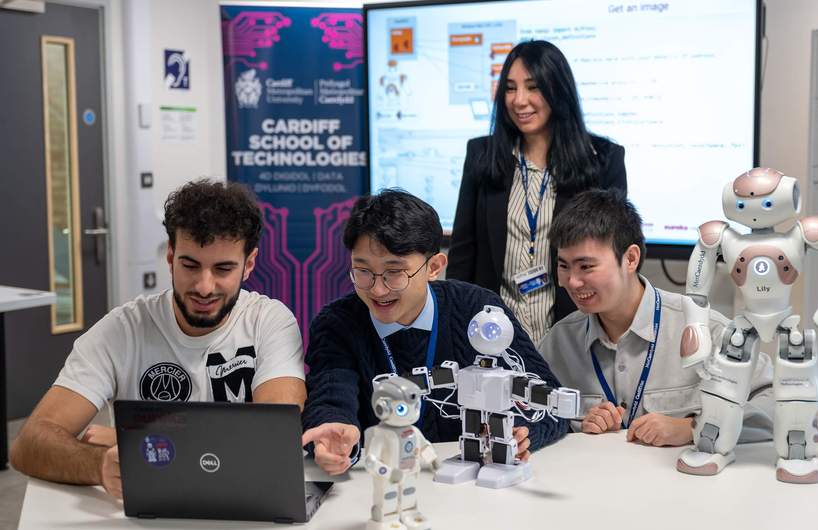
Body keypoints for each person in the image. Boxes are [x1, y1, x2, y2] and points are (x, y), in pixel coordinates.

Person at [10, 180, 306, 498]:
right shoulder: (122, 330)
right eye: (190, 265)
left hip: (246, 505)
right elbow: (28, 444)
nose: (205, 287)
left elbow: (277, 436)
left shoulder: (270, 321)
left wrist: (135, 441)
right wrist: (99, 464)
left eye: (223, 269)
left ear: (249, 264)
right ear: (170, 255)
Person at [301, 189, 567, 476]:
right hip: (383, 482)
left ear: (435, 267)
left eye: (394, 273)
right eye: (362, 271)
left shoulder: (477, 311)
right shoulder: (337, 323)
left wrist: (524, 433)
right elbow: (331, 397)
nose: (377, 289)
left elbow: (549, 398)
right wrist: (335, 437)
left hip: (471, 484)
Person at [539, 190, 774, 446]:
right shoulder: (559, 342)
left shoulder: (704, 329)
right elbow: (535, 417)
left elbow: (777, 402)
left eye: (586, 266)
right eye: (564, 266)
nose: (572, 281)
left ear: (630, 259)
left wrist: (692, 428)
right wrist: (575, 429)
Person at [447, 40, 627, 345]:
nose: (519, 100)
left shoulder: (602, 159)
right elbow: (463, 252)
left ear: (558, 90)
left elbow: (614, 256)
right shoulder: (482, 154)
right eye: (510, 88)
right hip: (492, 333)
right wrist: (454, 327)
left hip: (574, 336)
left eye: (533, 87)